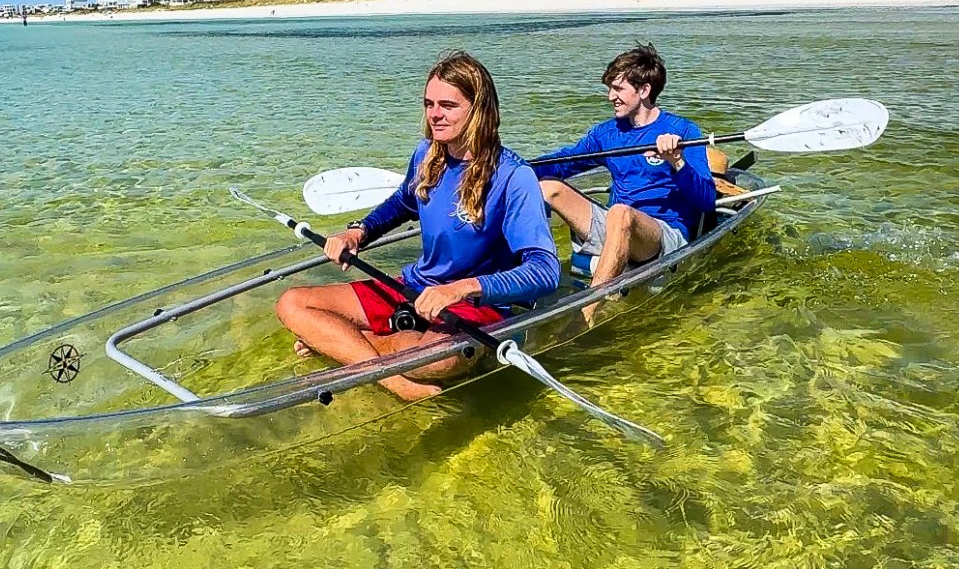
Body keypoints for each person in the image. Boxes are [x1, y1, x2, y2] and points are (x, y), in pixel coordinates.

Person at [275, 51, 561, 402]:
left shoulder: (514, 178)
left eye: (447, 105)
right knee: (292, 303)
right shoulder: (428, 154)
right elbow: (402, 203)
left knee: (442, 359)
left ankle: (343, 345)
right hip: (414, 286)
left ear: (479, 109)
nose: (434, 115)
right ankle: (392, 379)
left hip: (474, 307)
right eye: (428, 104)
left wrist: (462, 289)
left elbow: (545, 272)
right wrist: (358, 231)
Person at [532, 43, 716, 292]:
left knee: (621, 213)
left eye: (618, 88)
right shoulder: (606, 133)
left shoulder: (684, 131)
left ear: (644, 90)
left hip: (663, 234)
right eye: (610, 88)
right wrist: (507, 169)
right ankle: (531, 273)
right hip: (614, 226)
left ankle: (590, 308)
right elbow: (563, 163)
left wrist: (677, 162)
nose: (610, 96)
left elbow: (706, 201)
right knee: (547, 188)